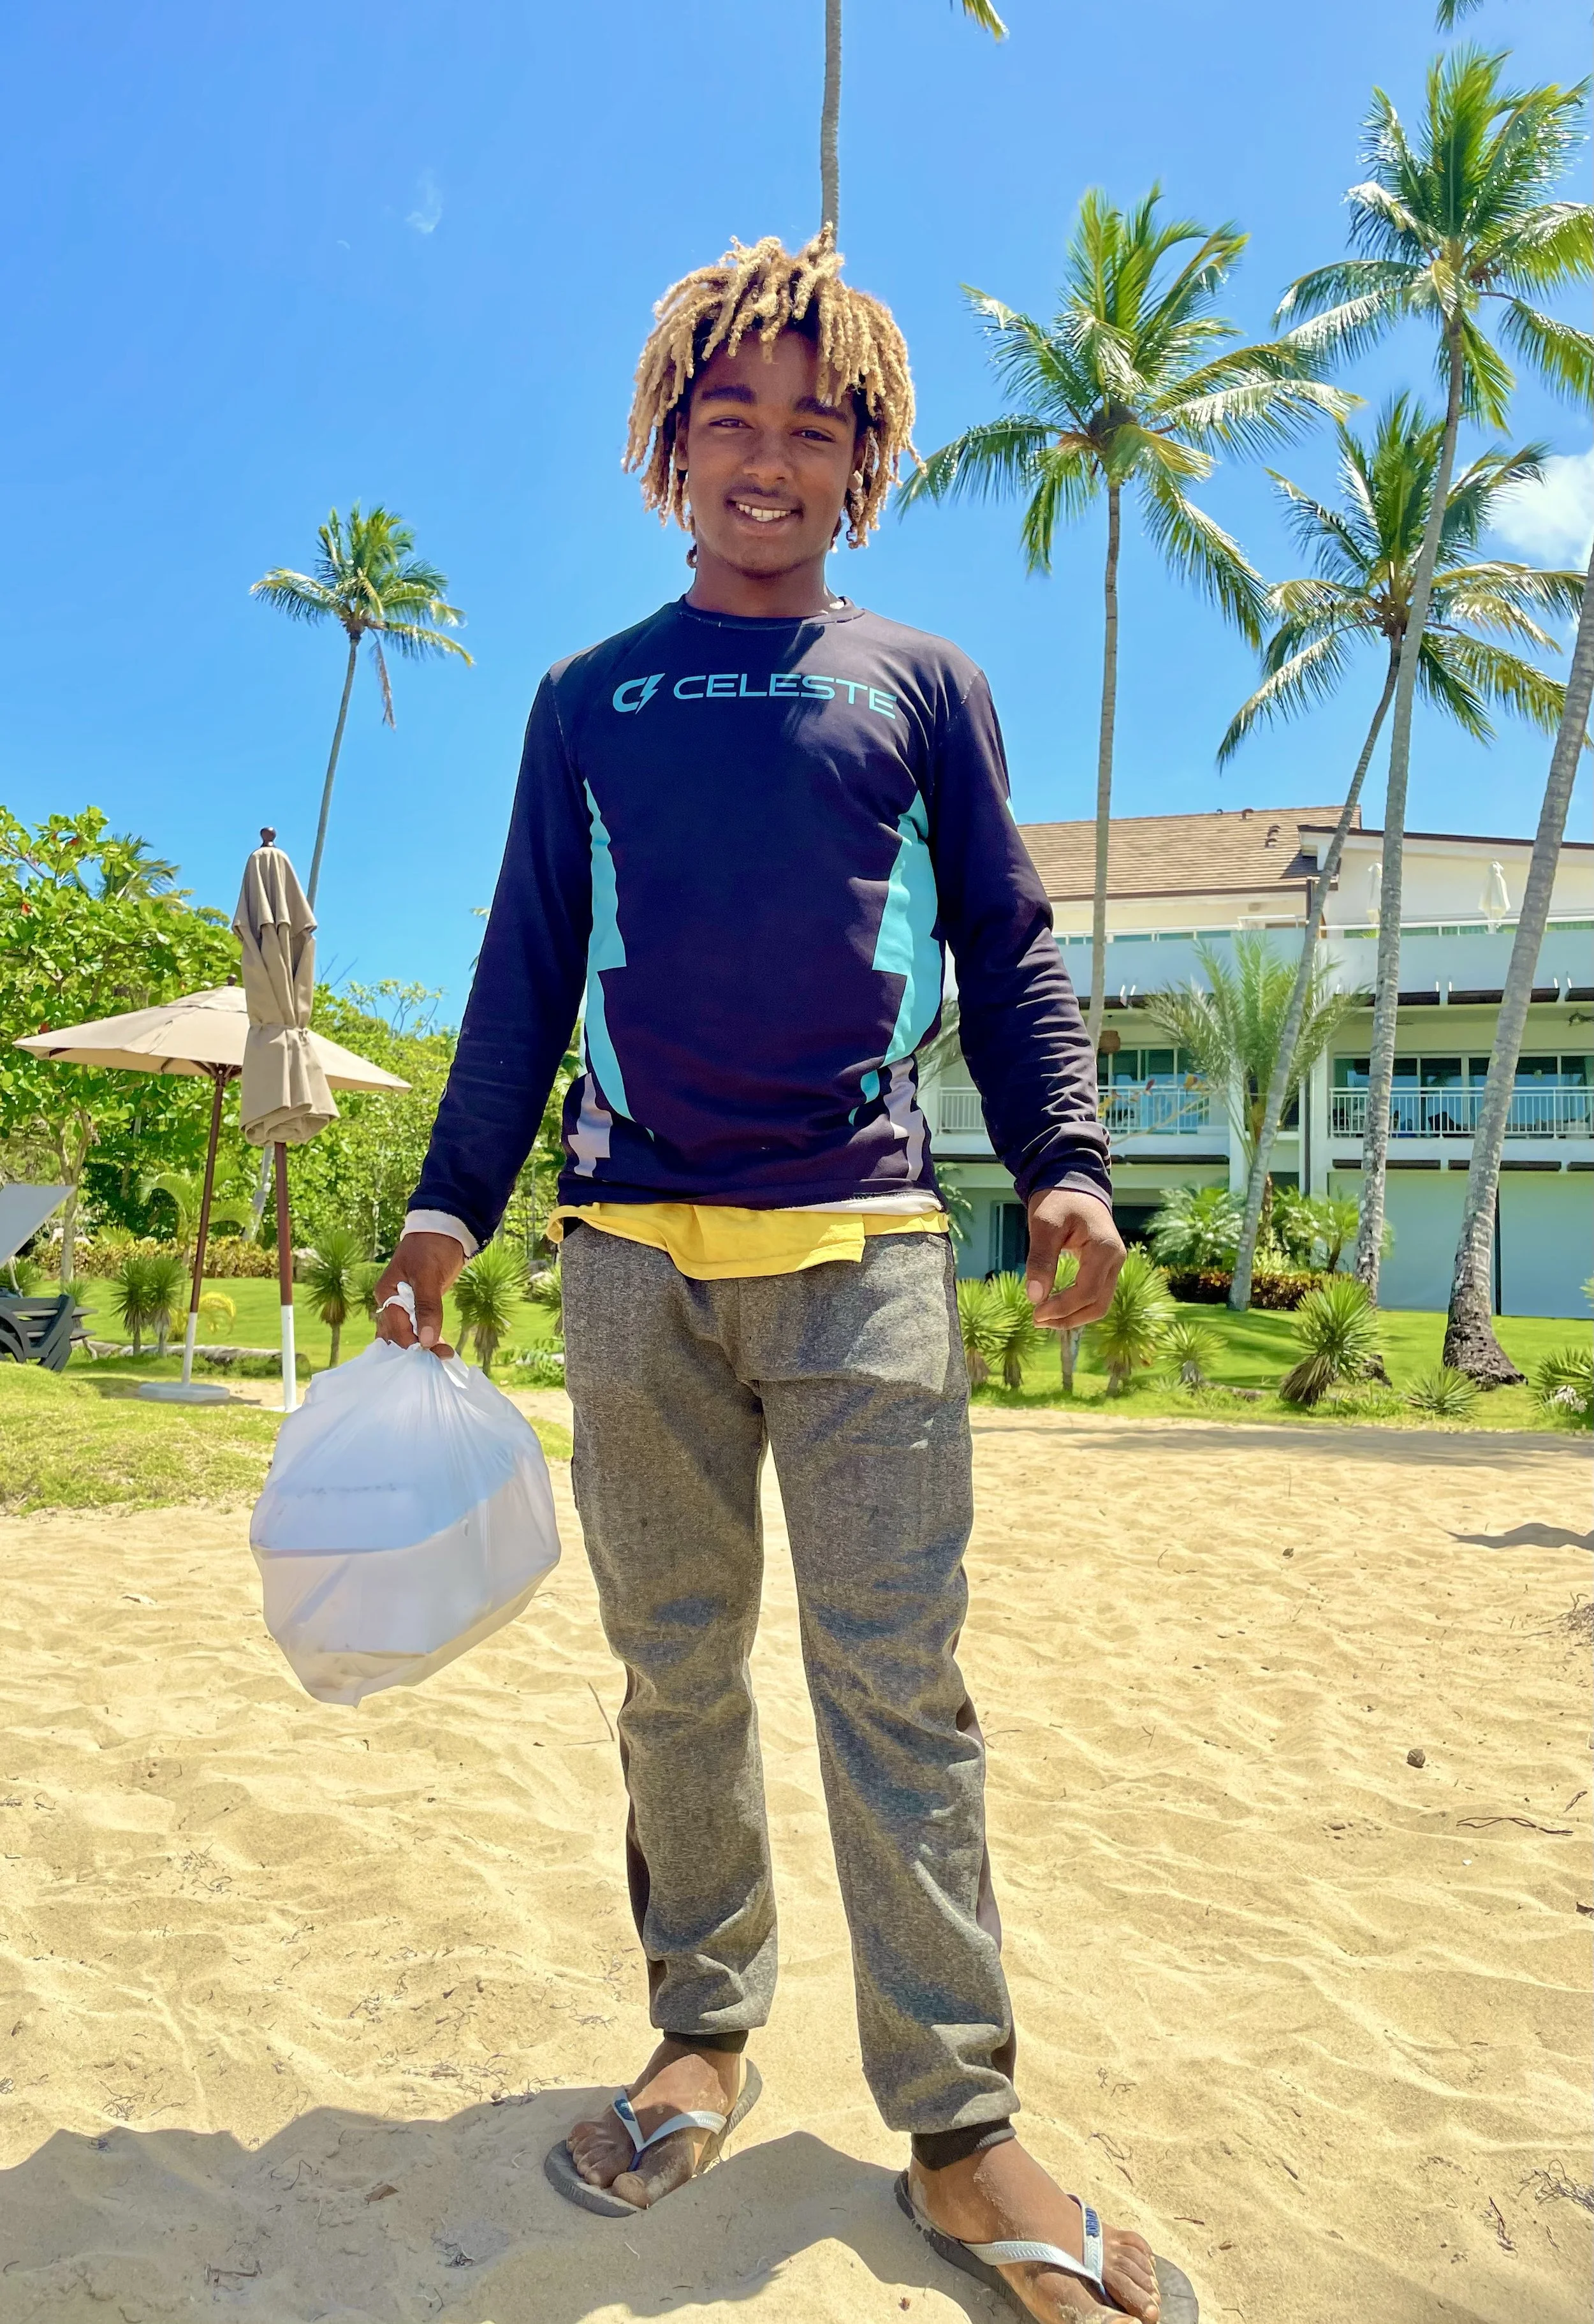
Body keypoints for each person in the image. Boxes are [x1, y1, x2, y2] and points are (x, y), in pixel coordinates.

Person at [376, 230, 1196, 2324]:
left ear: (865, 461)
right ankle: (704, 2030)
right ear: (668, 445)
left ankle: (955, 2123)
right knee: (673, 1676)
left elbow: (1006, 947)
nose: (765, 454)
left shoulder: (920, 685)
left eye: (809, 426)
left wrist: (1068, 1165)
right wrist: (451, 1204)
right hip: (633, 1258)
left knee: (896, 1694)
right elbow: (523, 972)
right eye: (724, 418)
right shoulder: (588, 701)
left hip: (869, 1256)